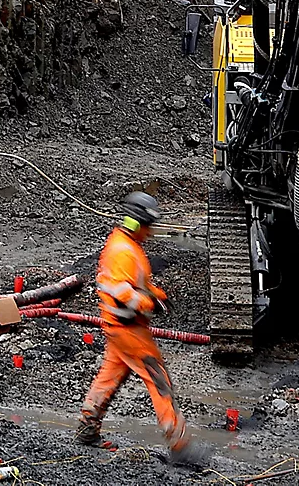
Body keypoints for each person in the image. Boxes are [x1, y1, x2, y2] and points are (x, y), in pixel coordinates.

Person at [76, 192, 206, 468]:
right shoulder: (123, 250)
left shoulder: (125, 243)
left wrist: (157, 295)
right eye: (149, 225)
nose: (151, 232)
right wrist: (150, 304)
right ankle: (179, 443)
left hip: (118, 328)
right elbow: (123, 292)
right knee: (159, 382)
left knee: (109, 377)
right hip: (129, 329)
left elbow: (137, 284)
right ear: (139, 222)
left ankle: (88, 429)